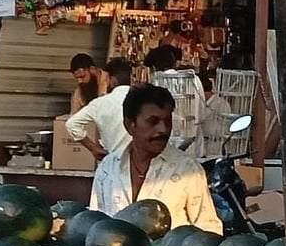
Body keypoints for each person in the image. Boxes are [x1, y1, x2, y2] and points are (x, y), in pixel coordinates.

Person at [90, 84, 221, 233]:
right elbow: (96, 228)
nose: (163, 129)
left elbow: (209, 232)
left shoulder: (189, 171)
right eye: (153, 122)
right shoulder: (108, 168)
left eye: (167, 121)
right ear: (130, 125)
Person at [65, 58, 133, 161]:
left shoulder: (100, 102)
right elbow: (72, 117)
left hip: (112, 157)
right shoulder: (79, 93)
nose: (80, 81)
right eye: (77, 78)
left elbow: (72, 124)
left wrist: (92, 148)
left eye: (82, 77)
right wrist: (93, 147)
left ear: (92, 70)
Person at [144, 46, 204, 155]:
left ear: (153, 68)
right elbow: (202, 111)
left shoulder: (157, 82)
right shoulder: (195, 79)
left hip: (168, 146)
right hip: (194, 146)